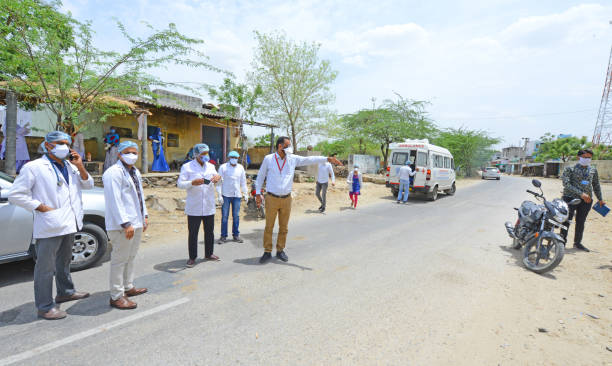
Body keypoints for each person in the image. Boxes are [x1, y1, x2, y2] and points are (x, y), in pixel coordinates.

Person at [8, 131, 93, 320]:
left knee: (63, 262)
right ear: (48, 146)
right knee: (45, 268)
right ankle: (45, 306)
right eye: (60, 143)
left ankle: (66, 291)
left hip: (70, 221)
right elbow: (16, 194)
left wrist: (80, 165)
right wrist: (40, 207)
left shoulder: (71, 166)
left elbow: (88, 185)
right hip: (51, 223)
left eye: (67, 143)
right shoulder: (34, 167)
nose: (65, 146)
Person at [255, 136, 342, 264]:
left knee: (284, 227)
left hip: (286, 199)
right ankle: (267, 251)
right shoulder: (269, 159)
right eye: (287, 146)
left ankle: (280, 250)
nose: (290, 148)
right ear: (280, 146)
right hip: (271, 198)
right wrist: (258, 193)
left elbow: (309, 159)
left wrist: (327, 158)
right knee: (269, 226)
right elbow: (261, 176)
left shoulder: (292, 159)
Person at [103, 141, 149, 310]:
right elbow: (115, 200)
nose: (132, 155)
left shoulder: (135, 171)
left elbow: (140, 196)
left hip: (136, 222)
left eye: (135, 152)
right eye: (128, 152)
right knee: (119, 260)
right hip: (123, 225)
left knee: (131, 257)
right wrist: (126, 223)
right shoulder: (113, 173)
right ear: (119, 154)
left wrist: (144, 216)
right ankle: (116, 295)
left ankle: (128, 287)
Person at [177, 143, 222, 268]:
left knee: (209, 232)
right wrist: (192, 182)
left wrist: (219, 179)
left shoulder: (211, 166)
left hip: (208, 206)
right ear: (196, 154)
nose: (205, 156)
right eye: (202, 154)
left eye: (206, 153)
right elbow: (180, 184)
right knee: (193, 233)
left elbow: (217, 183)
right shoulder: (187, 167)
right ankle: (192, 257)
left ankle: (209, 253)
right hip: (194, 207)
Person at [560, 149, 605, 252]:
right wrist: (581, 194)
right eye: (585, 157)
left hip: (586, 201)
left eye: (589, 157)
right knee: (566, 220)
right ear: (578, 157)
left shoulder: (593, 170)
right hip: (570, 198)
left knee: (581, 222)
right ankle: (561, 242)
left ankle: (578, 243)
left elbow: (596, 185)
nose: (587, 159)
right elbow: (566, 184)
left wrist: (600, 199)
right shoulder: (569, 169)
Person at [216, 150, 248, 244]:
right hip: (225, 195)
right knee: (225, 216)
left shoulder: (241, 168)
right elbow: (218, 182)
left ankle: (236, 235)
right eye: (232, 158)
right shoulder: (223, 167)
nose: (234, 159)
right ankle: (223, 236)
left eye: (235, 158)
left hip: (237, 195)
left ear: (238, 159)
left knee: (236, 216)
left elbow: (243, 181)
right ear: (229, 158)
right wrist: (219, 195)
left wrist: (245, 193)